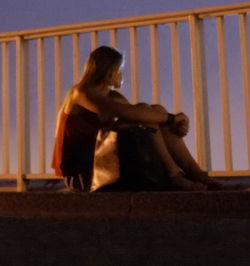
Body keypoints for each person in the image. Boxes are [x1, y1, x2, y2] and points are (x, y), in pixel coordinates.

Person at [51, 45, 218, 191]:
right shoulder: (80, 93)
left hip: (106, 165)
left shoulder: (112, 96)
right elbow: (126, 113)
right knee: (144, 113)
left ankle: (195, 173)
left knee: (152, 111)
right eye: (119, 70)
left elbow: (137, 115)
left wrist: (172, 124)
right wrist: (170, 118)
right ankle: (174, 176)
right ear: (109, 72)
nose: (121, 75)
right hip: (84, 173)